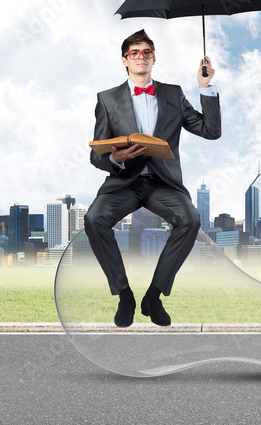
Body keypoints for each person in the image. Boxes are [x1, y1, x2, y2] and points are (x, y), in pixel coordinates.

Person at [84, 28, 221, 327]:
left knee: (190, 219)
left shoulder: (173, 94)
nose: (141, 57)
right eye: (134, 53)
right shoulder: (107, 99)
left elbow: (210, 131)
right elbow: (96, 155)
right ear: (124, 60)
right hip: (125, 181)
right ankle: (124, 295)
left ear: (154, 57)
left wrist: (205, 87)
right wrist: (114, 157)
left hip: (163, 182)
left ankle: (153, 296)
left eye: (146, 52)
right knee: (94, 218)